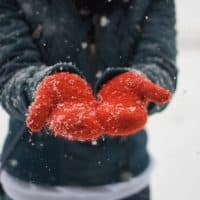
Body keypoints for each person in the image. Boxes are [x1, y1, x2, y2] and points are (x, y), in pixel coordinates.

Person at [0, 0, 178, 199]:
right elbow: (10, 67)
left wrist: (144, 83)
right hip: (31, 182)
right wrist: (38, 87)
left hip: (126, 183)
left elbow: (159, 61)